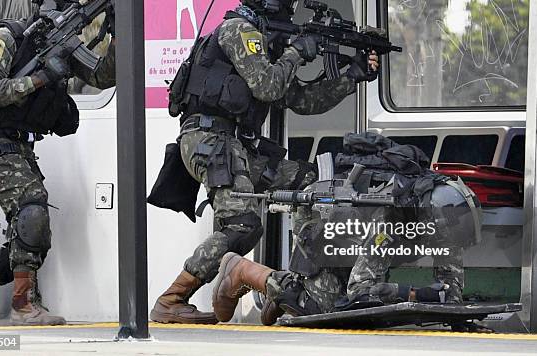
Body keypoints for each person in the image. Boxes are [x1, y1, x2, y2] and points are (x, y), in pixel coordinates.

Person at [150, 0, 379, 324]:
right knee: (242, 226)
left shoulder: (263, 43)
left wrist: (353, 74)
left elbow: (303, 100)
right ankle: (171, 300)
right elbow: (268, 86)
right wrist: (297, 51)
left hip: (238, 147)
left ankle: (304, 288)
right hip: (210, 141)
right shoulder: (238, 30)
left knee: (313, 184)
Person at [0, 0, 115, 327]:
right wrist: (40, 79)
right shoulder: (8, 36)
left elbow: (102, 76)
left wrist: (118, 31)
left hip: (17, 142)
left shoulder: (66, 44)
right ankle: (23, 304)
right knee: (32, 208)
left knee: (31, 235)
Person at [211, 172, 482, 325]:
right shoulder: (388, 228)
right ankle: (244, 270)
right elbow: (360, 291)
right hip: (323, 231)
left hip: (353, 252)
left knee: (342, 304)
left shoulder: (444, 226)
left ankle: (286, 294)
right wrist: (412, 293)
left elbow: (451, 294)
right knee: (326, 312)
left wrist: (456, 314)